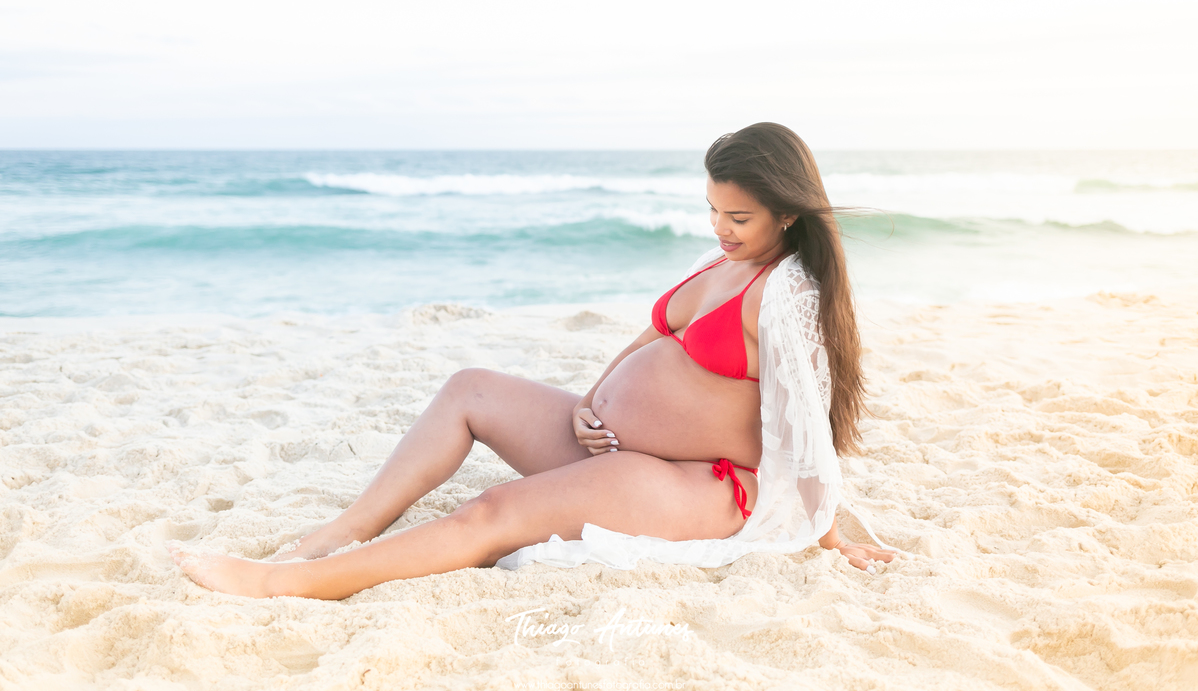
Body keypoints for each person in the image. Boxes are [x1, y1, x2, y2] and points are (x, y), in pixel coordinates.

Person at [170, 122, 897, 600]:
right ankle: (347, 529)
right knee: (470, 389)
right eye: (712, 209)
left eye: (737, 217)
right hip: (613, 446)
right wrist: (591, 400)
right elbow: (654, 337)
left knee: (491, 512)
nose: (719, 227)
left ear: (790, 212)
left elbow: (805, 427)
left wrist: (828, 533)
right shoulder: (723, 263)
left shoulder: (788, 296)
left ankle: (283, 585)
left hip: (701, 485)